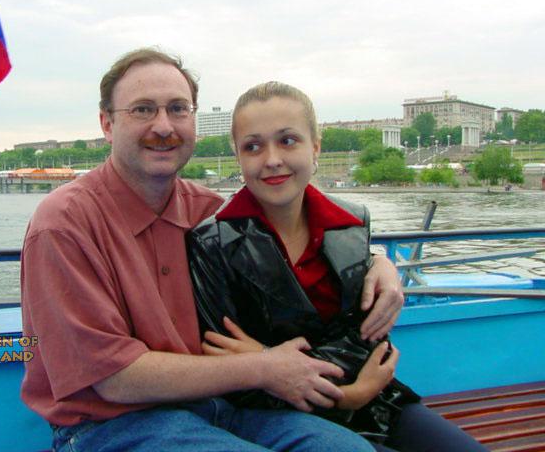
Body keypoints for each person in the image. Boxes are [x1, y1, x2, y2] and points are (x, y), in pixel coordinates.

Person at [20, 48, 403, 452]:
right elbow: (113, 378)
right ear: (107, 124)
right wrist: (262, 368)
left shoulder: (209, 214)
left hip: (215, 407)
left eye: (178, 109)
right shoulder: (64, 223)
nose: (163, 126)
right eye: (143, 110)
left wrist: (377, 263)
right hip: (108, 424)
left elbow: (302, 242)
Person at [187, 81, 489, 452]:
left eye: (288, 141)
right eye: (253, 146)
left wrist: (267, 359)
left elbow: (368, 338)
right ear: (238, 156)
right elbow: (227, 366)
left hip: (376, 401)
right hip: (278, 416)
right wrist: (346, 395)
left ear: (315, 147)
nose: (272, 159)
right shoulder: (210, 243)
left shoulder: (351, 222)